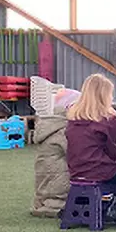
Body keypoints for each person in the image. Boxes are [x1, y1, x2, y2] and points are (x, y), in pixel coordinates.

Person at [66, 74, 116, 227]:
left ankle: (100, 205)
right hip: (99, 170)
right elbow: (111, 149)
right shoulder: (108, 119)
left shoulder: (73, 118)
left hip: (76, 169)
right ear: (105, 95)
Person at [31, 88, 80, 218]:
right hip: (58, 185)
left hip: (45, 182)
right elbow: (78, 154)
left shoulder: (49, 126)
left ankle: (44, 203)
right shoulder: (63, 130)